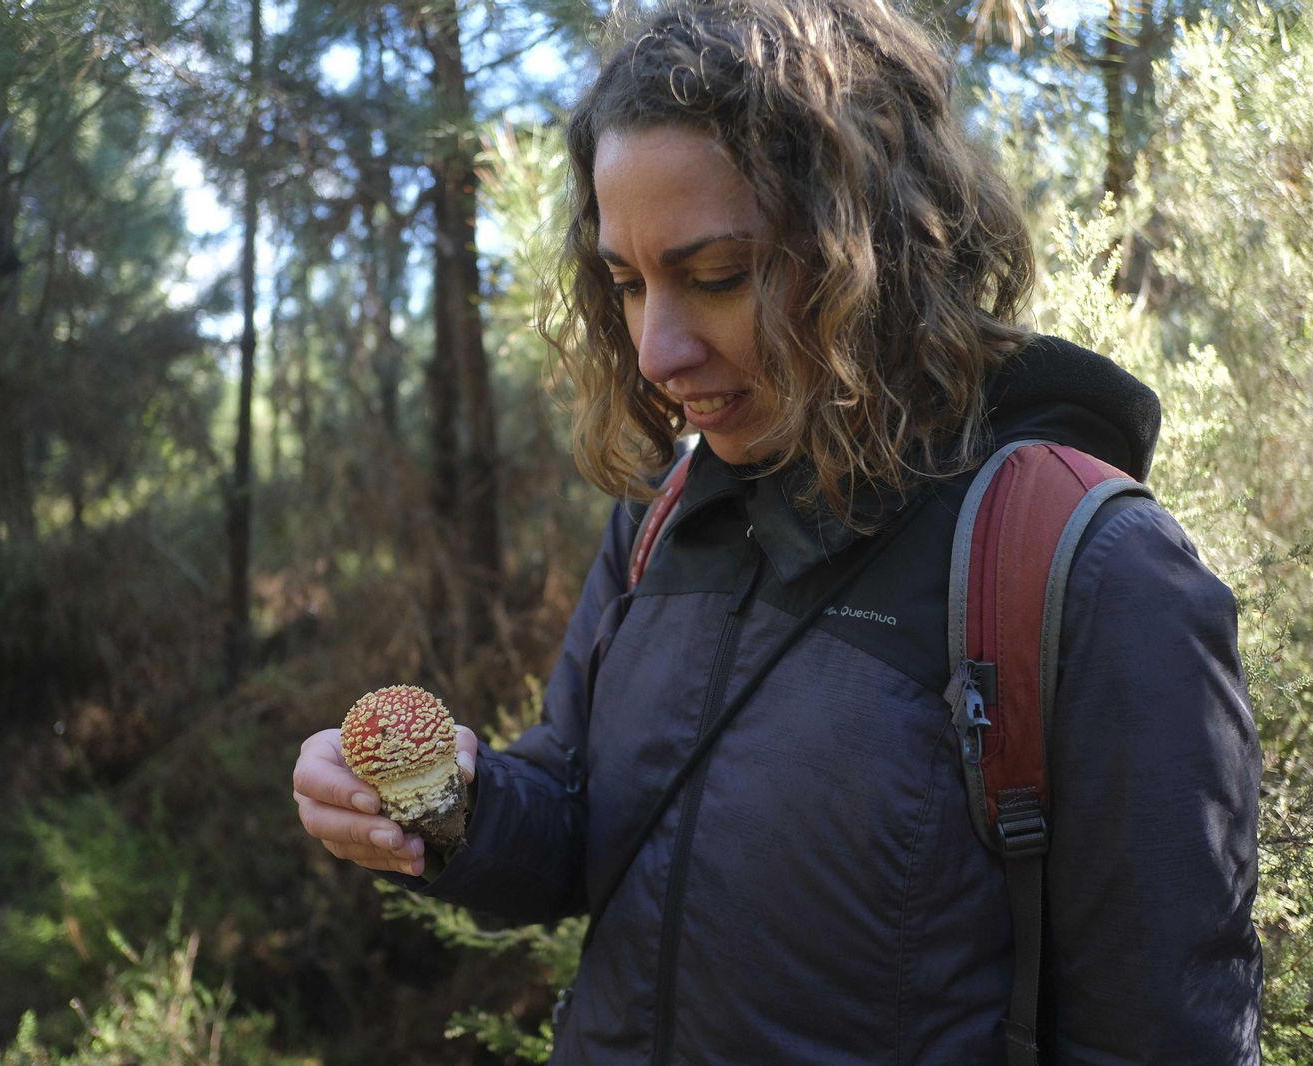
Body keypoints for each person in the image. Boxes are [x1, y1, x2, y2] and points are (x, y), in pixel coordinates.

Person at [291, 0, 1264, 1061]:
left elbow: (1166, 1035)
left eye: (715, 276)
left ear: (874, 249)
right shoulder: (661, 520)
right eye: (626, 281)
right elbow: (575, 822)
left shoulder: (1091, 573)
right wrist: (451, 807)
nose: (657, 349)